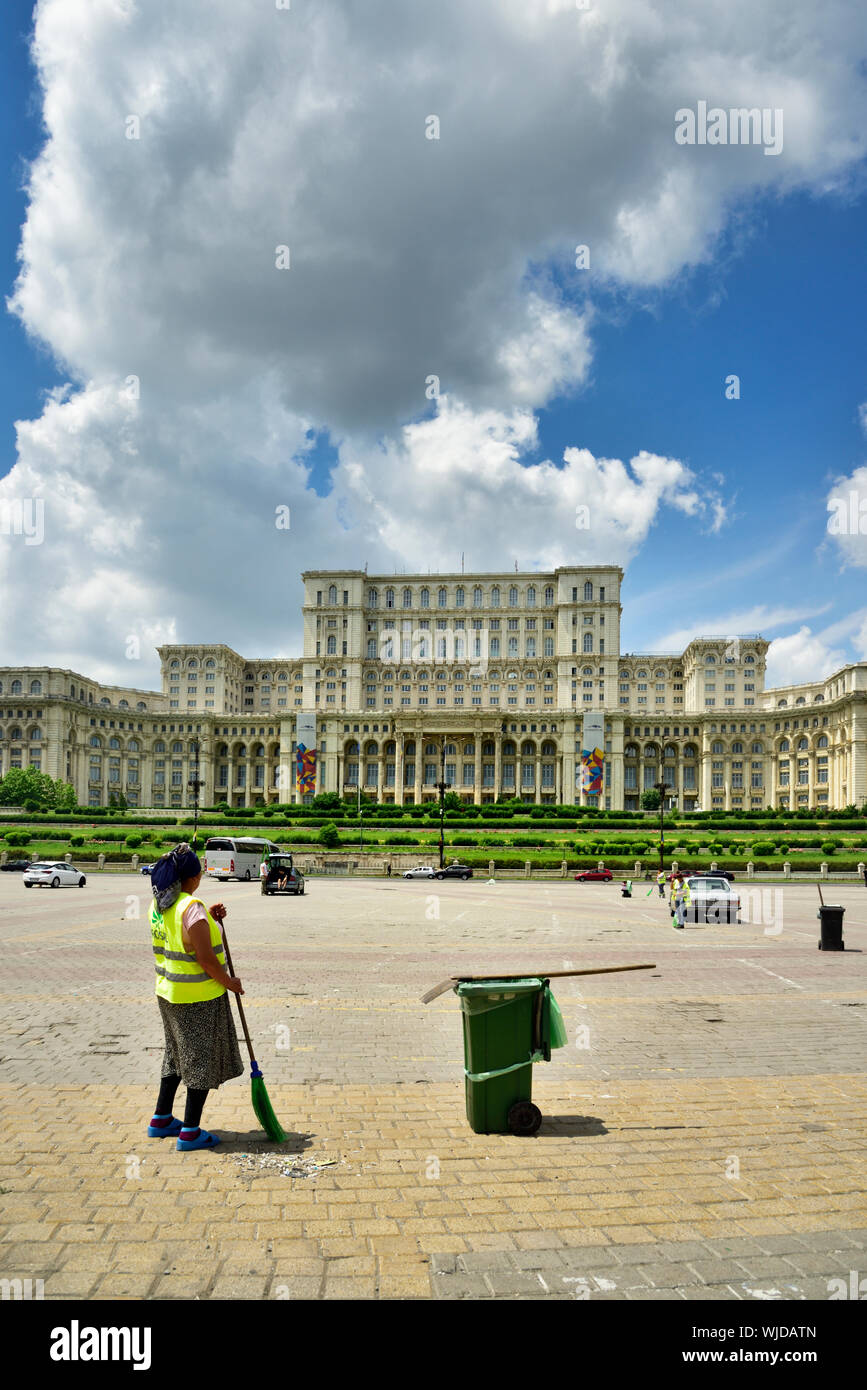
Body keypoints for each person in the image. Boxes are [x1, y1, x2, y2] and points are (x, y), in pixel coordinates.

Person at [147, 844, 244, 1151]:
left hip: (168, 993)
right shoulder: (191, 908)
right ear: (192, 876)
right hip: (197, 996)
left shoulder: (160, 905)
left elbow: (186, 937)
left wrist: (209, 919)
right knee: (199, 1060)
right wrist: (229, 981)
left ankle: (161, 1118)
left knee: (175, 1055)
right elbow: (204, 958)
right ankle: (190, 1131)